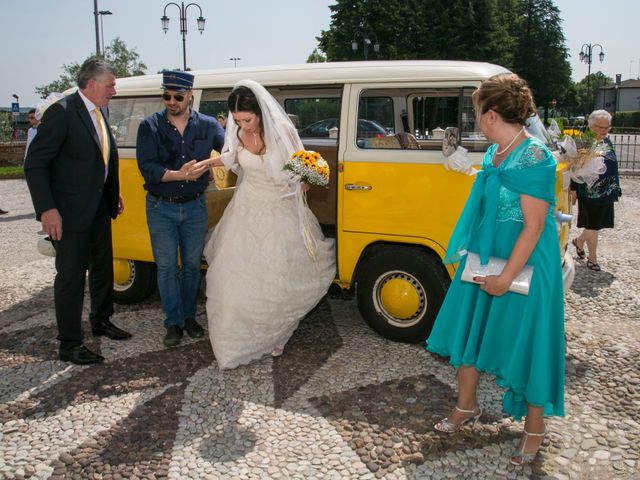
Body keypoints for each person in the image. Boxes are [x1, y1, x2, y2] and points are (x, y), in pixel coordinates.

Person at [425, 73, 565, 466]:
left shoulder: (536, 155)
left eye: (475, 112)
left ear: (489, 115)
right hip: (488, 255)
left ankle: (534, 429)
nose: (474, 120)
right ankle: (466, 405)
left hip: (527, 264)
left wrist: (506, 278)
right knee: (472, 328)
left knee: (528, 342)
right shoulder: (494, 154)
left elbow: (535, 227)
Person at [189, 80, 335, 369]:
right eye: (238, 121)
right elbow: (232, 157)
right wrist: (207, 164)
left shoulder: (282, 132)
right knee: (234, 278)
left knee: (278, 276)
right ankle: (234, 339)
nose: (244, 125)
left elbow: (301, 167)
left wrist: (305, 182)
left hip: (279, 209)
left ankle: (278, 331)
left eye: (248, 119)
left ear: (260, 112)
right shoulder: (241, 133)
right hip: (245, 210)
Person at [24, 57, 130, 365]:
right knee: (70, 277)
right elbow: (35, 164)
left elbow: (100, 158)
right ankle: (69, 343)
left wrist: (113, 191)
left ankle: (101, 319)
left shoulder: (99, 111)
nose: (114, 90)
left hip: (98, 208)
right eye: (110, 85)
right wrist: (47, 209)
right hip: (68, 214)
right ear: (92, 84)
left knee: (102, 268)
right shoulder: (63, 112)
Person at [136, 70, 225, 348]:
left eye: (177, 96)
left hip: (195, 207)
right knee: (166, 268)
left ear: (190, 96)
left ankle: (189, 318)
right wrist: (179, 174)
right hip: (161, 207)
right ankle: (172, 323)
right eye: (166, 96)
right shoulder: (149, 126)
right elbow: (147, 168)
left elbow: (231, 150)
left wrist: (209, 165)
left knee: (190, 267)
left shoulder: (209, 126)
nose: (171, 101)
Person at [570, 109, 622, 272]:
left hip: (607, 191)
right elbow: (573, 167)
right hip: (589, 192)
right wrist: (573, 189)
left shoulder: (606, 141)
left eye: (607, 127)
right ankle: (593, 258)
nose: (604, 131)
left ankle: (578, 241)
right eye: (600, 127)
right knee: (593, 225)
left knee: (596, 225)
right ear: (590, 126)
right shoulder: (582, 142)